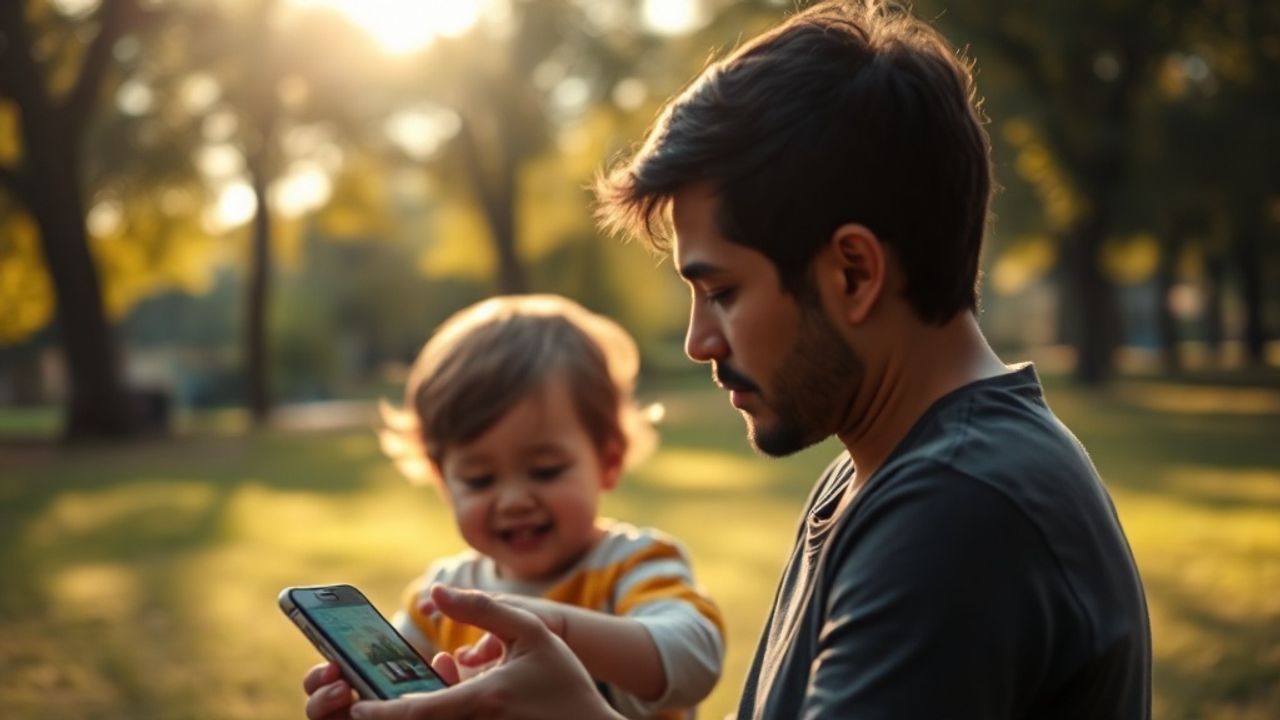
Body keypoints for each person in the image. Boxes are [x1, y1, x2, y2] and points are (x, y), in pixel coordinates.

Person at [304, 1, 1152, 718]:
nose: (698, 341)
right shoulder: (885, 471)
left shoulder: (959, 510)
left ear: (853, 272)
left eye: (722, 292)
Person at [316, 294, 725, 720]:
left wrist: (553, 628)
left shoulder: (636, 564)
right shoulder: (440, 599)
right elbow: (396, 696)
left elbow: (695, 659)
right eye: (479, 480)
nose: (513, 501)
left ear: (608, 460)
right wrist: (360, 703)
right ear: (443, 482)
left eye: (545, 470)